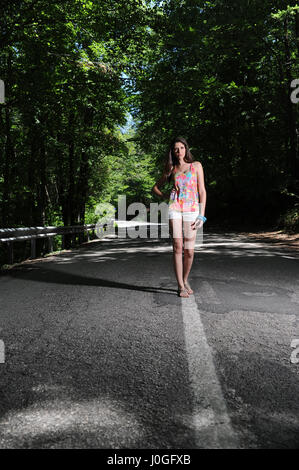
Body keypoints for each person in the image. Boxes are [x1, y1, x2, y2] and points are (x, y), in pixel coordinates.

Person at [152, 136, 207, 297]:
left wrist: (202, 215)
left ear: (186, 149)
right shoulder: (171, 169)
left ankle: (184, 279)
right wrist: (165, 196)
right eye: (176, 149)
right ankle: (180, 286)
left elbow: (202, 191)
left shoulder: (196, 166)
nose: (179, 151)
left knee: (189, 250)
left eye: (182, 148)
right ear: (172, 152)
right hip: (175, 208)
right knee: (177, 245)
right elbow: (155, 188)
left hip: (192, 209)